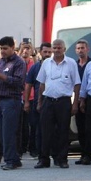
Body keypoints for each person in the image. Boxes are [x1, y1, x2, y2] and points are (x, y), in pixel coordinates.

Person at [34, 39, 80, 169]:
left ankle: (62, 159)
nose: (57, 50)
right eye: (55, 47)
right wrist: (39, 102)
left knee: (63, 132)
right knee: (45, 132)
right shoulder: (46, 63)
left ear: (64, 49)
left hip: (64, 101)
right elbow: (41, 84)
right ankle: (43, 159)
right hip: (48, 101)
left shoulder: (71, 63)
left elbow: (77, 84)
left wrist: (75, 103)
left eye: (59, 48)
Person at [0, 36, 26, 170]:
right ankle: (14, 159)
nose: (3, 51)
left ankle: (11, 160)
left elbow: (19, 82)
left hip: (12, 100)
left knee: (9, 132)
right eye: (1, 48)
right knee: (1, 132)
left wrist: (2, 77)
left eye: (6, 48)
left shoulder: (19, 62)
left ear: (13, 48)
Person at [24, 42, 52, 161]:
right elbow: (28, 85)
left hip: (51, 101)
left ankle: (50, 151)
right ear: (40, 52)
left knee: (51, 128)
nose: (47, 54)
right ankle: (37, 151)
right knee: (36, 127)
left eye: (49, 52)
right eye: (45, 52)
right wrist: (26, 102)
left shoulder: (54, 65)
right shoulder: (35, 67)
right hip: (37, 102)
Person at [73, 39, 91, 165]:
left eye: (83, 48)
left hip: (90, 99)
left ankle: (90, 154)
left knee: (89, 128)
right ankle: (83, 154)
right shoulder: (73, 65)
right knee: (80, 128)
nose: (80, 50)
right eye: (78, 48)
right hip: (76, 98)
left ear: (87, 49)